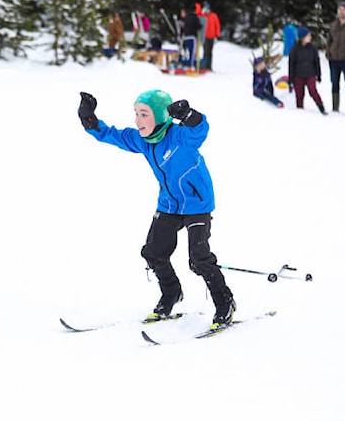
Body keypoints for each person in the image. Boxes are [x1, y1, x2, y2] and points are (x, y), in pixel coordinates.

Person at [77, 90, 236, 328]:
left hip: (197, 203)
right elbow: (111, 135)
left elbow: (200, 129)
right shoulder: (143, 140)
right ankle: (171, 293)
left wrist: (189, 115)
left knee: (199, 259)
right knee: (153, 253)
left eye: (144, 114)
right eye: (136, 114)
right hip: (169, 204)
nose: (137, 120)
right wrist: (89, 120)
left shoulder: (180, 136)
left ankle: (225, 303)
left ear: (162, 116)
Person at [287, 27, 326, 115]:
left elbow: (316, 61)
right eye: (308, 35)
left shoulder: (312, 48)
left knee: (313, 91)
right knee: (299, 94)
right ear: (302, 37)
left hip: (310, 74)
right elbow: (291, 64)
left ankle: (321, 107)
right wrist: (290, 78)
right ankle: (300, 111)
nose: (310, 37)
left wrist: (318, 74)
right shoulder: (295, 49)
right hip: (298, 75)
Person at [202, 2, 221, 70]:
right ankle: (204, 66)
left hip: (212, 37)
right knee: (205, 51)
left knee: (210, 52)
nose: (207, 10)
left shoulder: (214, 16)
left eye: (208, 9)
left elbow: (217, 25)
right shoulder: (203, 16)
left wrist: (217, 35)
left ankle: (209, 66)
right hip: (205, 37)